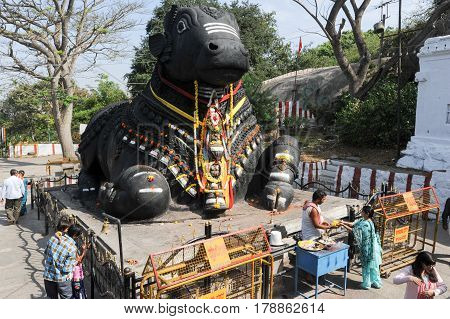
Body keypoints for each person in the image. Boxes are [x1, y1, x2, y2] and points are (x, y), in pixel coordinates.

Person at [340, 205, 383, 289]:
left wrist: (343, 225)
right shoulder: (368, 220)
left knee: (366, 266)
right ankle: (376, 282)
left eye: (362, 211)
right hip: (375, 247)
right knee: (374, 267)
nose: (361, 212)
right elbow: (353, 224)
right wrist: (343, 222)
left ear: (366, 213)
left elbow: (353, 230)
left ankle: (366, 284)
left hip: (368, 248)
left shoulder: (364, 224)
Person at [43, 218, 78, 299]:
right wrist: (74, 263)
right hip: (62, 279)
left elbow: (46, 253)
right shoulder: (72, 248)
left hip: (48, 276)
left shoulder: (52, 239)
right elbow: (66, 269)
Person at [66, 224, 89, 299]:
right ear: (75, 234)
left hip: (70, 274)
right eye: (78, 235)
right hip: (76, 276)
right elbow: (79, 261)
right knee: (78, 294)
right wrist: (84, 250)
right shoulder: (72, 246)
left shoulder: (65, 240)